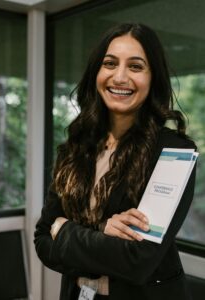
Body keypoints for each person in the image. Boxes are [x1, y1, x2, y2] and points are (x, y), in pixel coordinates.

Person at [34, 23, 196, 300]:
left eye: (135, 66)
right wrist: (101, 231)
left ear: (152, 77)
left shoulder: (173, 152)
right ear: (97, 72)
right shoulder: (75, 147)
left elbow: (137, 260)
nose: (119, 77)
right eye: (110, 63)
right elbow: (42, 240)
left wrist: (64, 230)